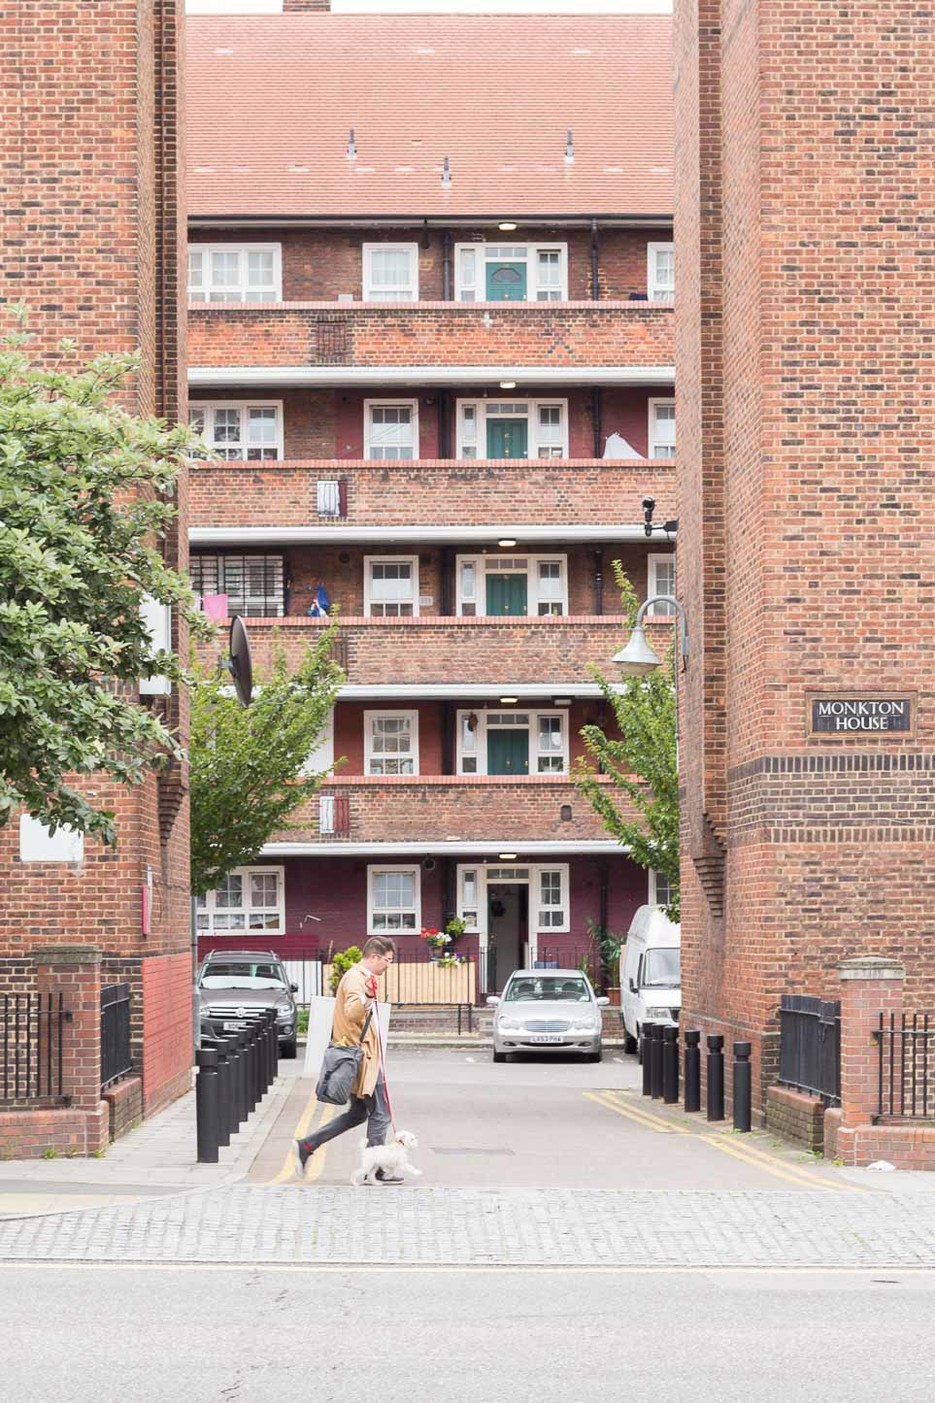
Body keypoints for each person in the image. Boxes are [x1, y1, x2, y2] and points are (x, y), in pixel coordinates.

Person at [292, 936, 399, 1182]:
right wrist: (367, 998)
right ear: (374, 956)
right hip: (363, 1060)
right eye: (387, 960)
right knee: (381, 1114)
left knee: (358, 1114)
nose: (388, 966)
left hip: (359, 1058)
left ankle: (307, 1145)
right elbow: (352, 1012)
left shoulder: (360, 978)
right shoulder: (355, 978)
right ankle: (377, 1170)